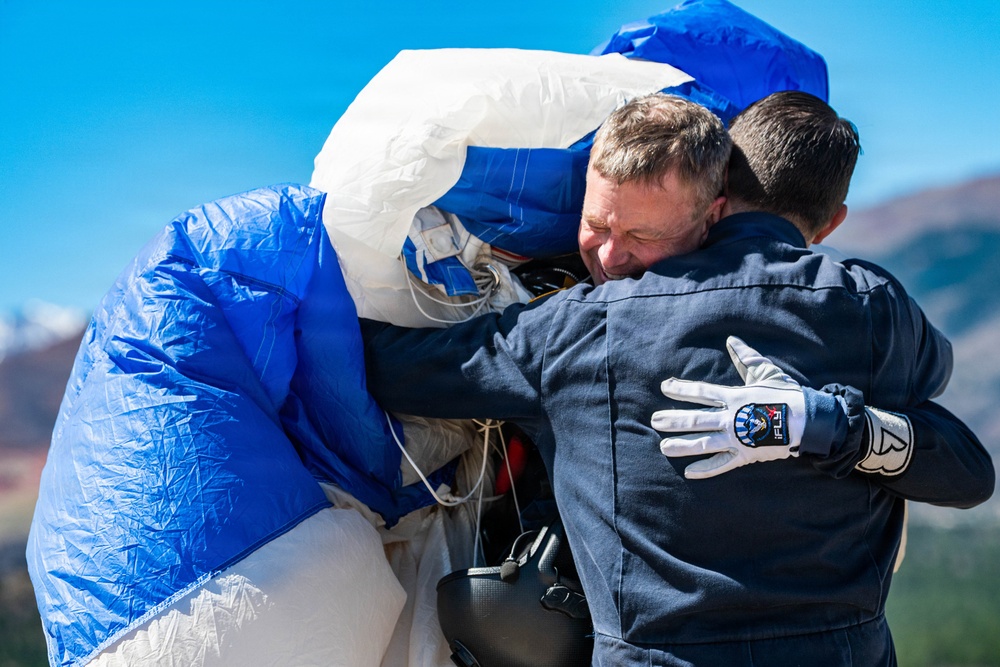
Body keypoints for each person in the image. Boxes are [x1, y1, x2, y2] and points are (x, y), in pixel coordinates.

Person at [360, 92, 994, 665]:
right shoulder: (871, 306)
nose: (612, 255)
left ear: (717, 201)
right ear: (832, 222)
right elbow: (966, 468)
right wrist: (821, 423)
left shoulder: (577, 328)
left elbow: (393, 369)